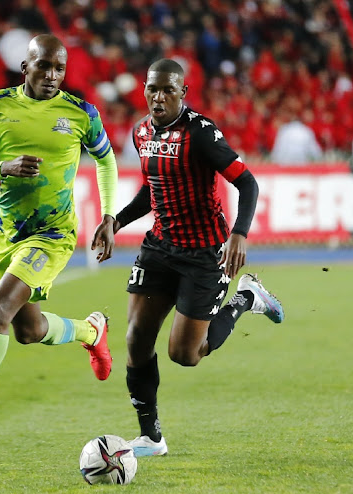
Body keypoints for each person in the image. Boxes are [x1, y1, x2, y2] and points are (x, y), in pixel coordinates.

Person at [0, 34, 119, 450]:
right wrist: (4, 167)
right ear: (25, 68)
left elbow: (106, 159)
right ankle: (90, 332)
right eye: (44, 66)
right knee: (28, 331)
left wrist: (108, 215)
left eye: (60, 68)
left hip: (52, 234)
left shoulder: (81, 113)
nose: (52, 75)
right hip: (7, 234)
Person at [109, 59, 284, 457]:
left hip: (205, 253)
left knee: (185, 355)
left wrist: (238, 233)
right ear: (144, 89)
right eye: (152, 89)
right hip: (159, 248)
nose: (159, 96)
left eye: (168, 90)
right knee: (136, 337)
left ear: (182, 93)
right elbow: (150, 191)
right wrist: (116, 221)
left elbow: (247, 182)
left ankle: (247, 299)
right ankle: (151, 437)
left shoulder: (201, 133)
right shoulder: (140, 133)